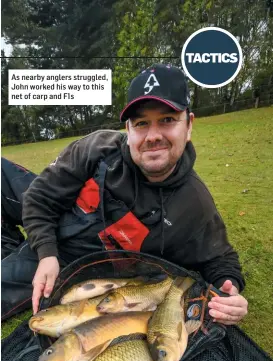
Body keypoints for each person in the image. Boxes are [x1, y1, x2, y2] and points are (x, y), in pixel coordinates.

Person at [1, 63, 248, 323]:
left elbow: (221, 259)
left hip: (73, 260)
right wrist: (46, 253)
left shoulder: (193, 204)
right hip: (58, 228)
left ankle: (16, 252)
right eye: (141, 123)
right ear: (128, 130)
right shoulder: (98, 147)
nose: (153, 136)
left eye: (167, 120)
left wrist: (231, 292)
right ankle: (13, 243)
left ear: (188, 126)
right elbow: (40, 197)